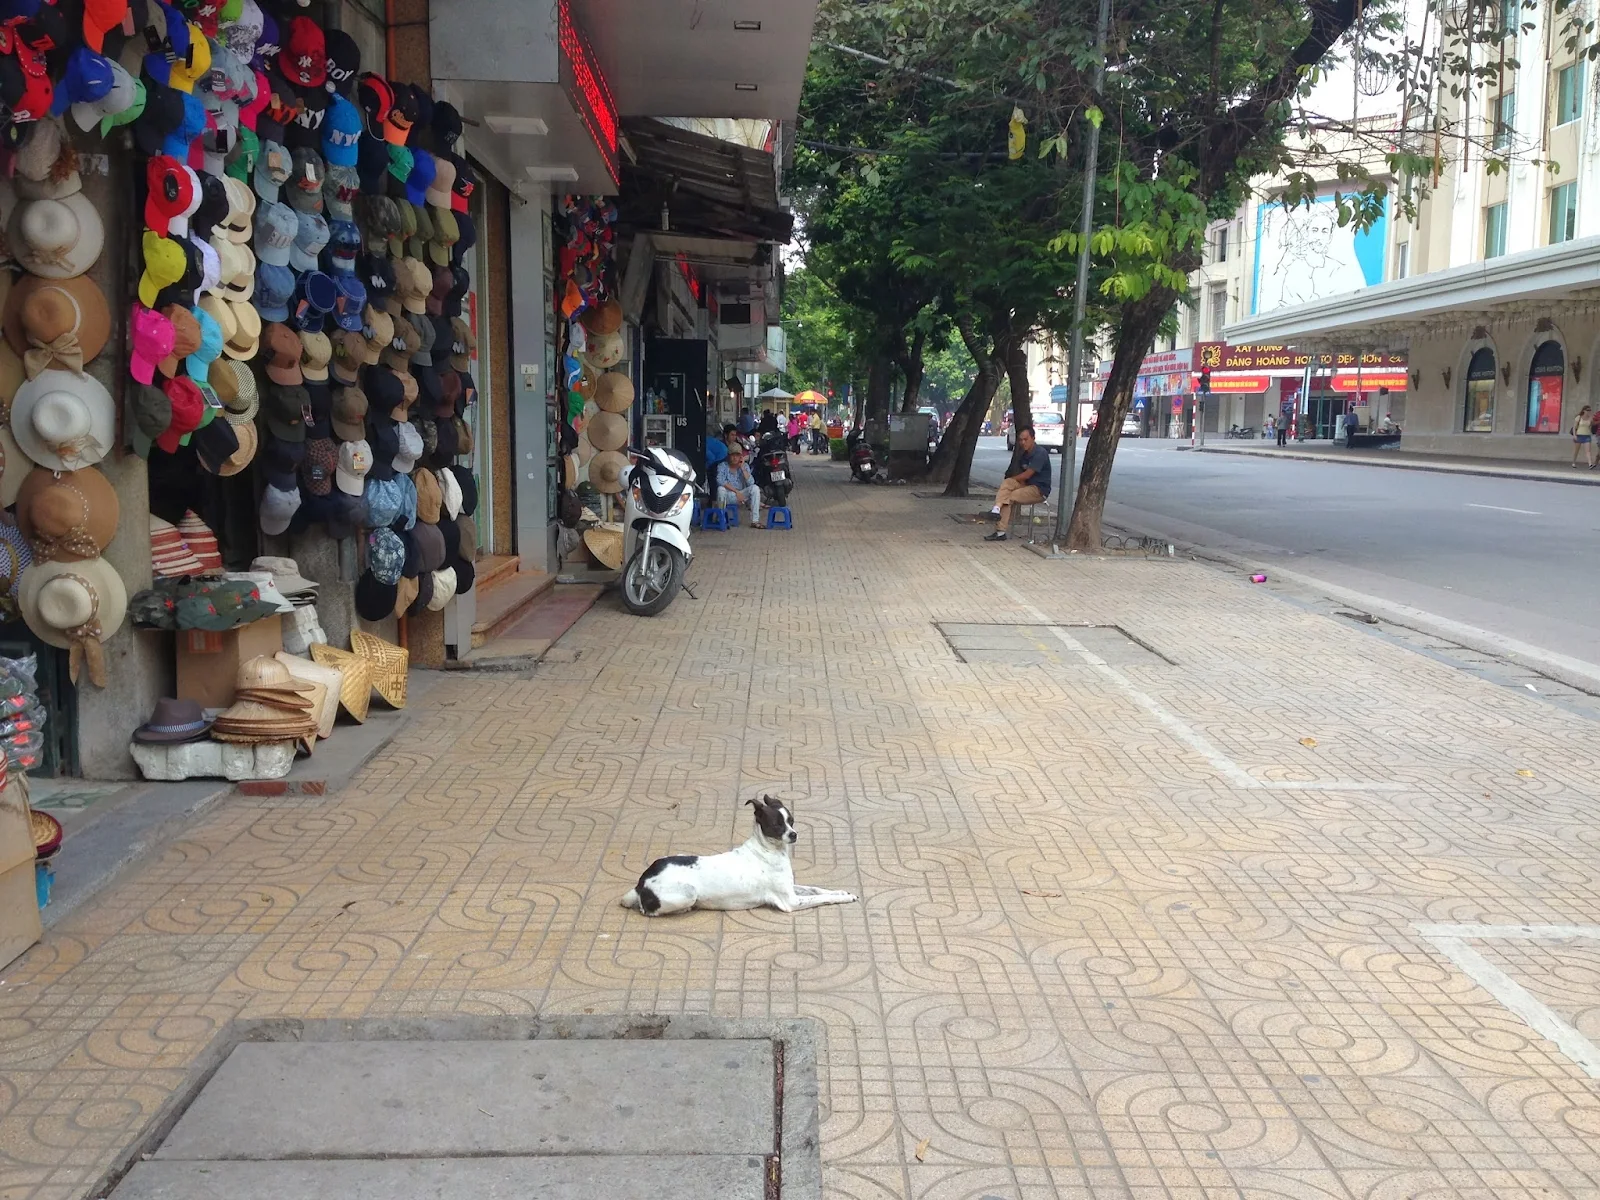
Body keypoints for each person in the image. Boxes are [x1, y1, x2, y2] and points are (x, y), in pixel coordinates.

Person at [984, 426, 1050, 542]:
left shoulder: (1040, 453)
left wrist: (1016, 480)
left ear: (1033, 438)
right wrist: (1014, 482)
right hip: (1027, 486)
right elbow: (1022, 478)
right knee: (1008, 483)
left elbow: (1027, 475)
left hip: (1039, 490)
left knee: (1008, 497)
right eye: (1020, 440)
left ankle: (1000, 531)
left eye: (1026, 439)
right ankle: (996, 509)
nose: (1023, 442)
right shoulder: (1024, 455)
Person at [716, 446, 761, 526]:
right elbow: (720, 480)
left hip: (741, 495)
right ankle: (721, 518)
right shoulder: (722, 466)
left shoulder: (744, 466)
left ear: (740, 457)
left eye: (737, 455)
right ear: (729, 456)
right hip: (728, 495)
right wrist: (736, 492)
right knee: (720, 489)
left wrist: (742, 468)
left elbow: (751, 482)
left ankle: (755, 521)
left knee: (755, 488)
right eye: (732, 455)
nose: (734, 458)